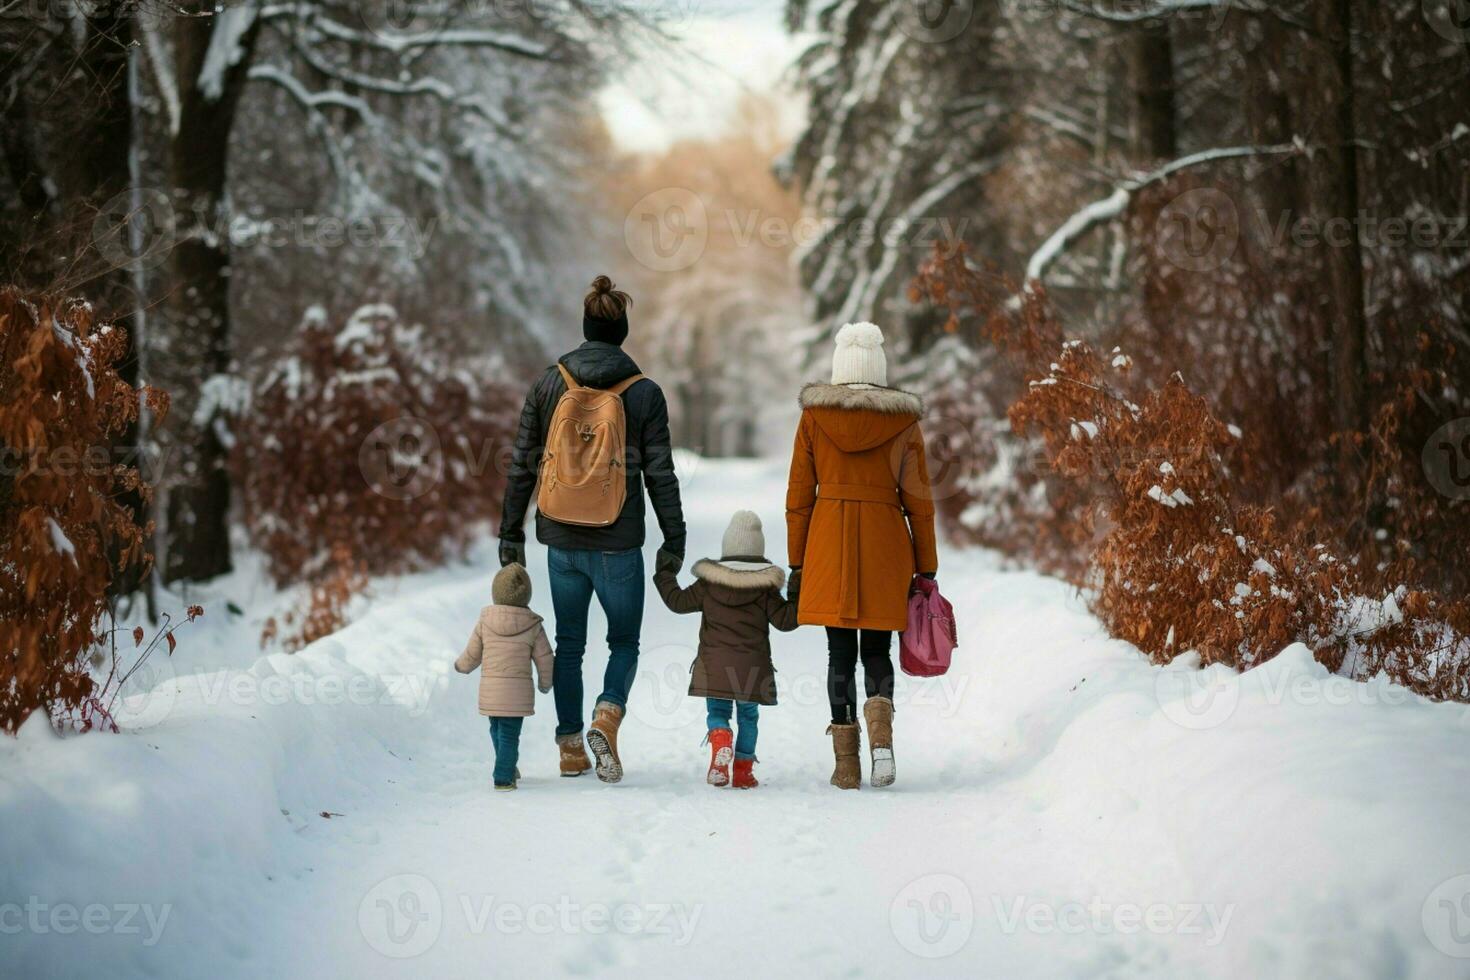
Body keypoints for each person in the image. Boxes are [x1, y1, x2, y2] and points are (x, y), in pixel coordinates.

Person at [499, 276, 686, 783]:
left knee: (570, 643)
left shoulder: (547, 383)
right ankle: (608, 714)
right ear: (623, 333)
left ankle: (570, 748)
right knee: (623, 642)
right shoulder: (644, 393)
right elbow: (659, 474)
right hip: (619, 541)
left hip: (560, 536)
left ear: (585, 328)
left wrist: (510, 532)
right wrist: (675, 537)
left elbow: (522, 464)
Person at [785, 321, 938, 790]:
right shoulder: (903, 424)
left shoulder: (814, 418)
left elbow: (798, 496)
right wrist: (925, 567)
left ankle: (845, 763)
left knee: (838, 653)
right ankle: (882, 743)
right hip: (885, 545)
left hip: (828, 542)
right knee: (876, 649)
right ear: (880, 371)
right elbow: (920, 501)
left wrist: (797, 562)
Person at [654, 511, 800, 789]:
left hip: (714, 666)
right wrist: (797, 586)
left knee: (717, 710)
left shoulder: (709, 583)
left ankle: (720, 739)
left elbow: (677, 601)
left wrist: (664, 573)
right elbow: (786, 621)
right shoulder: (765, 587)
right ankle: (743, 772)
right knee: (748, 717)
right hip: (751, 668)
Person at [454, 564, 554, 792]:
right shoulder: (533, 625)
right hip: (517, 696)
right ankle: (503, 776)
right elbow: (545, 657)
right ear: (526, 594)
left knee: (497, 729)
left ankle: (506, 765)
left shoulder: (485, 622)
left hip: (491, 692)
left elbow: (472, 653)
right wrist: (545, 683)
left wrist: (461, 666)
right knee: (509, 734)